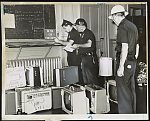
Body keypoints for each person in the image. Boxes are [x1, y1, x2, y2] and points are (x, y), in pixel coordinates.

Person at [108, 5, 139, 114]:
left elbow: (124, 47)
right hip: (132, 62)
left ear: (116, 16)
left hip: (125, 62)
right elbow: (137, 46)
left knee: (123, 92)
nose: (114, 21)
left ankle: (125, 116)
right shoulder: (132, 26)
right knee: (131, 91)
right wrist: (134, 59)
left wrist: (121, 67)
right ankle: (132, 115)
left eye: (113, 18)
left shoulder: (122, 27)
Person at [54, 19, 83, 85]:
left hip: (75, 56)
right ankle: (75, 85)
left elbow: (69, 43)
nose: (65, 30)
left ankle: (78, 86)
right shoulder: (71, 33)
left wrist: (59, 41)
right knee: (73, 71)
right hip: (71, 55)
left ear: (69, 26)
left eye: (65, 28)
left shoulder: (73, 33)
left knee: (76, 72)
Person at [72, 18, 99, 85]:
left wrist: (78, 45)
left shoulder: (88, 33)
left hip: (89, 58)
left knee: (91, 78)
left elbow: (89, 44)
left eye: (77, 26)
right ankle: (88, 92)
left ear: (81, 26)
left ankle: (95, 93)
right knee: (85, 78)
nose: (76, 28)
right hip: (84, 58)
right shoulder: (81, 34)